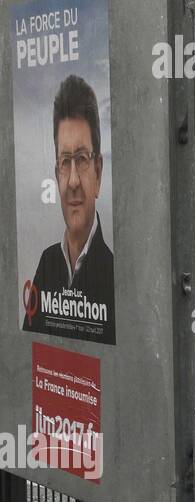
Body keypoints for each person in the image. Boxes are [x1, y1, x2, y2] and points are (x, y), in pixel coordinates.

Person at [23, 74, 115, 345]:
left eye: (82, 159)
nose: (73, 180)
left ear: (98, 172)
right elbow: (28, 355)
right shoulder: (47, 263)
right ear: (56, 173)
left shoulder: (115, 277)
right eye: (65, 162)